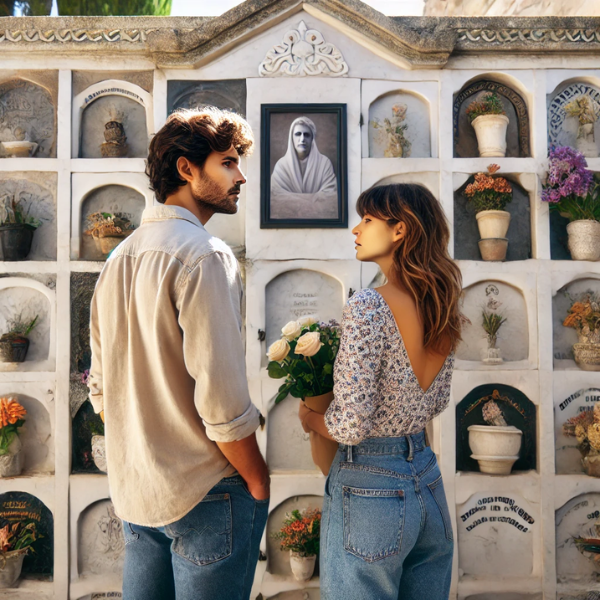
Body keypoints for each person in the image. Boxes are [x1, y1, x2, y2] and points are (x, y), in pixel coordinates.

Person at [88, 107, 270, 600]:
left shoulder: (117, 259)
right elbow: (223, 402)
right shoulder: (205, 254)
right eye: (228, 163)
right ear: (187, 169)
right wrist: (257, 480)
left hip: (137, 494)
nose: (241, 177)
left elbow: (99, 390)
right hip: (206, 490)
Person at [299, 183, 463, 600]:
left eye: (368, 219)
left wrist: (312, 418)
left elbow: (350, 425)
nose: (356, 229)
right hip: (426, 479)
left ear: (400, 230)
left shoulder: (370, 306)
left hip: (370, 486)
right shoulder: (440, 305)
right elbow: (438, 401)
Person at [270, 116, 338, 219]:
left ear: (312, 139)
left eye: (306, 135)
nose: (302, 139)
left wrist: (294, 199)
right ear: (291, 138)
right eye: (298, 134)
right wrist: (312, 199)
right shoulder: (281, 165)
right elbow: (276, 197)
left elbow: (330, 197)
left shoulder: (324, 163)